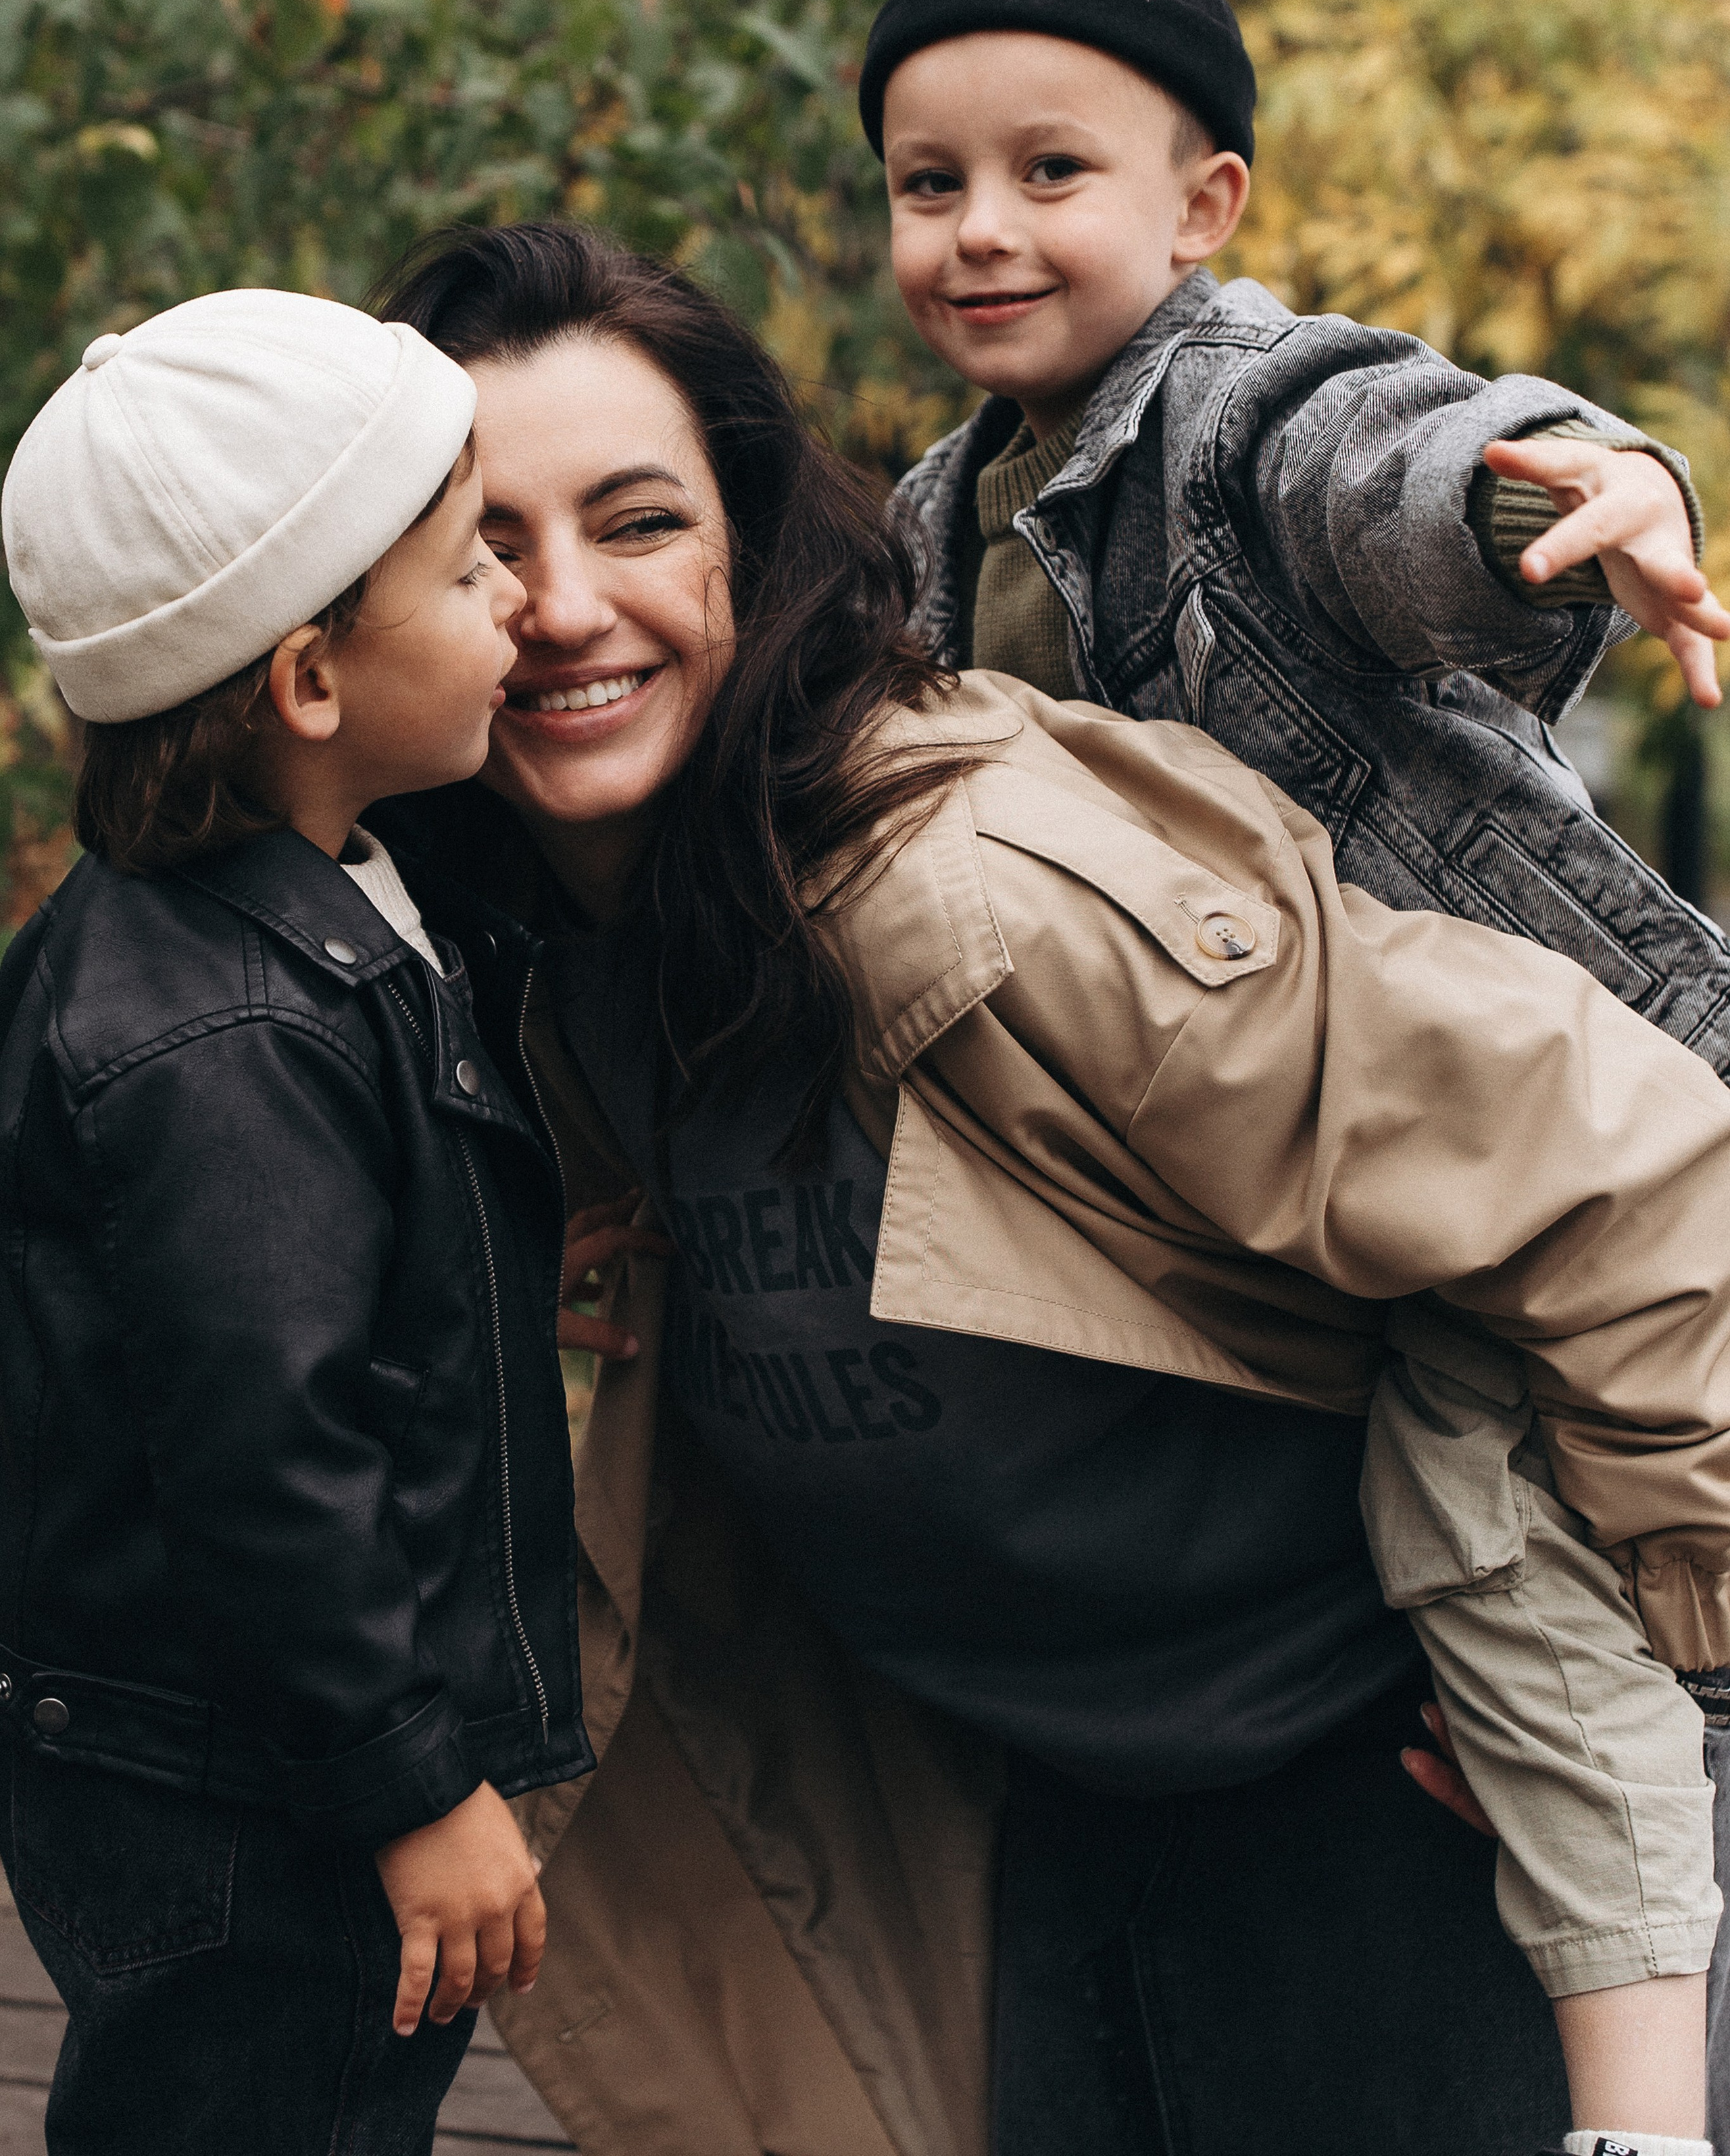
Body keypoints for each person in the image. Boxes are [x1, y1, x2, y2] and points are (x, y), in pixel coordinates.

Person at [368, 220, 1730, 2156]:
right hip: (1045, 1826)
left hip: (1381, 1807)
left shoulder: (980, 887)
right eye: (486, 546)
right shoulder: (559, 970)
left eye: (640, 521)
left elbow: (1634, 1153)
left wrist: (1707, 1683)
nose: (567, 605)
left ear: (749, 547)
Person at [858, 0, 1730, 2134]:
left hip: (1502, 1136)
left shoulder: (1239, 407)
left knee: (1495, 1542)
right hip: (1280, 1167)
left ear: (1204, 204)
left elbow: (1397, 465)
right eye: (924, 181)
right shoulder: (936, 522)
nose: (978, 231)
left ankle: (1640, 2103)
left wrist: (1570, 487)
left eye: (1051, 171)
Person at [0, 291, 593, 2156]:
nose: (524, 599)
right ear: (310, 683)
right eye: (465, 563)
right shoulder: (218, 1034)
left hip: (234, 1765)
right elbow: (266, 1460)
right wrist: (414, 1789)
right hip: (257, 1807)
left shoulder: (278, 910)